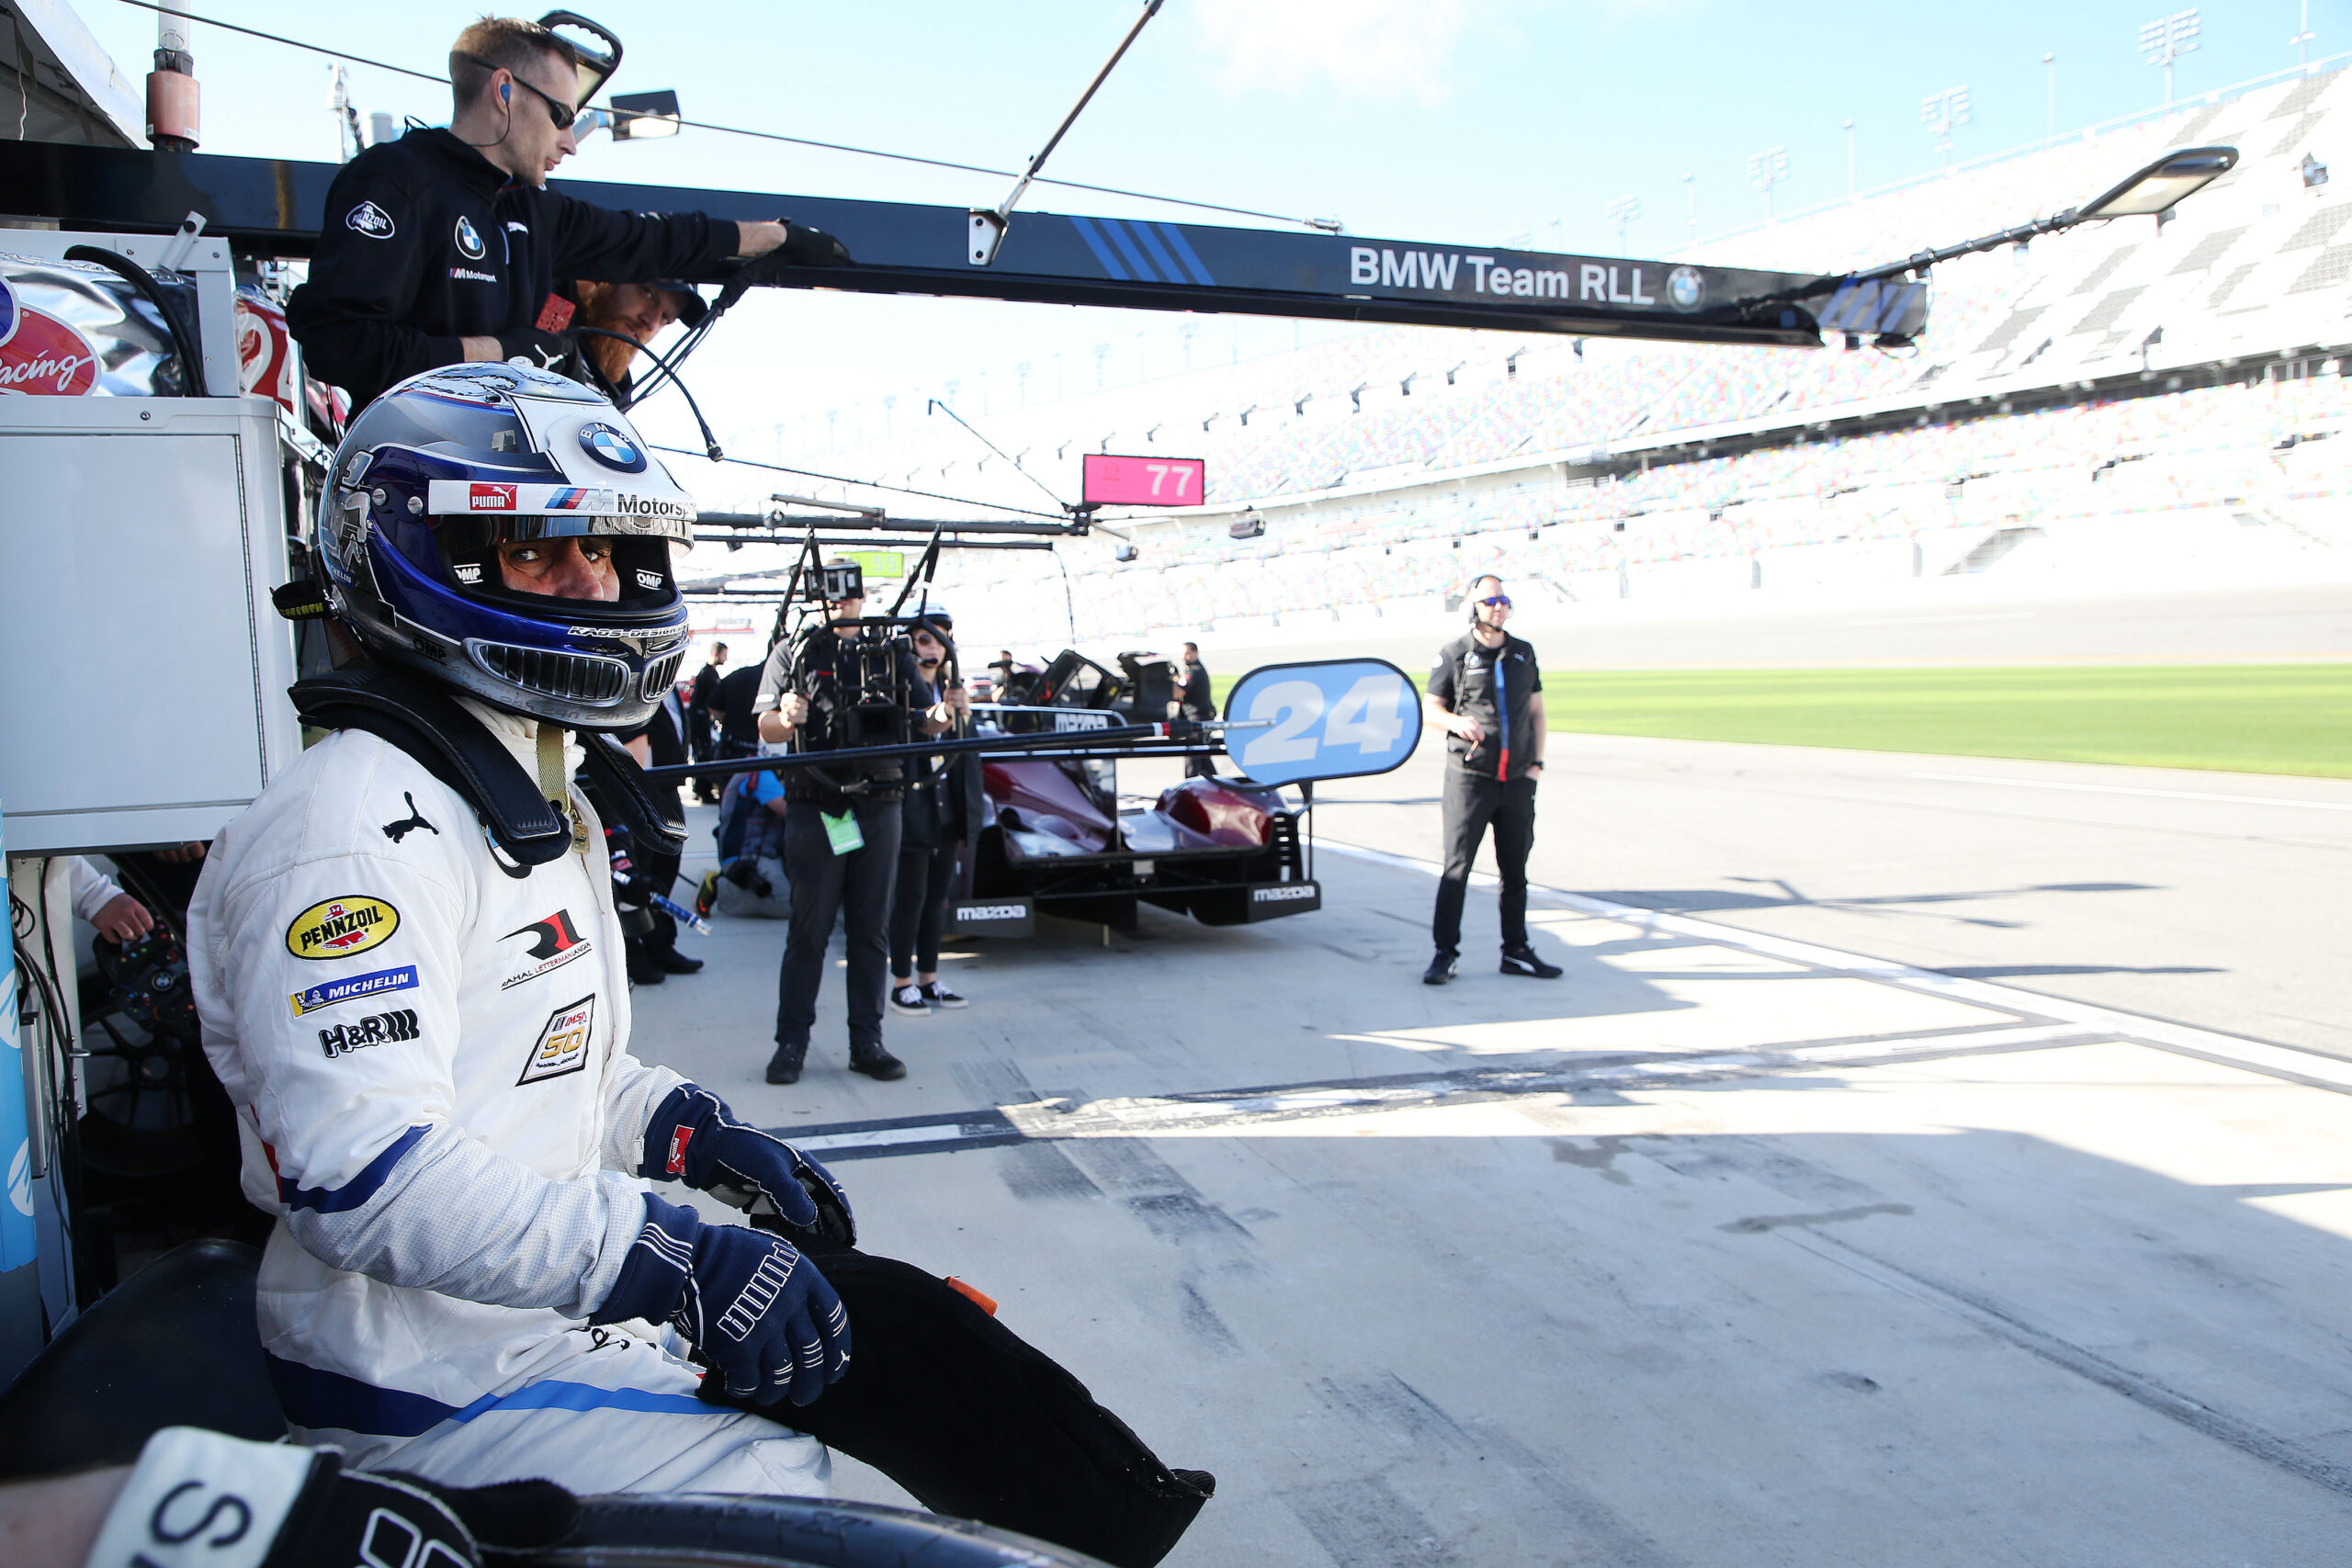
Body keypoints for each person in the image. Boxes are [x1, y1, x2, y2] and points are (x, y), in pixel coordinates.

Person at [187, 363, 854, 1494]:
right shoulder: (351, 830)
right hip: (422, 1385)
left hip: (540, 1334)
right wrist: (664, 1253)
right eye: (535, 550)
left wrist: (690, 1134)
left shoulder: (530, 791)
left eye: (601, 549)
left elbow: (538, 1065)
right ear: (419, 558)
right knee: (803, 1497)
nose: (591, 587)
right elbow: (369, 1181)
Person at [285, 17, 836, 412]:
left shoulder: (532, 209)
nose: (570, 142)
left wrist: (776, 236)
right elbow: (340, 345)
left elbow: (651, 240)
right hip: (410, 490)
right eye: (561, 117)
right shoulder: (395, 181)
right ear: (504, 90)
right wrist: (504, 354)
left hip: (507, 491)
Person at [754, 574, 955, 1085]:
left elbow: (925, 720)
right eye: (828, 594)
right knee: (810, 929)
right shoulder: (792, 651)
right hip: (815, 800)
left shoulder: (890, 653)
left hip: (880, 800)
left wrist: (944, 714)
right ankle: (791, 1043)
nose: (839, 603)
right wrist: (786, 714)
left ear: (862, 599)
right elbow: (766, 727)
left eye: (847, 594)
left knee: (872, 929)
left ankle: (868, 1040)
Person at [1421, 575, 1563, 986]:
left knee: (1515, 870)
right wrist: (1456, 721)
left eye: (1503, 600)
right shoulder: (1454, 655)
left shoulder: (1523, 653)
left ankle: (1515, 950)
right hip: (1470, 780)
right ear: (1473, 607)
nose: (1497, 607)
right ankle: (1445, 953)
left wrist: (1535, 763)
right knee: (1457, 869)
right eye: (1489, 601)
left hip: (1517, 780)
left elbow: (1536, 711)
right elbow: (1430, 710)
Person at [889, 610, 979, 1017]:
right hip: (912, 809)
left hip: (946, 810)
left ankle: (928, 976)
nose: (934, 648)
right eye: (925, 640)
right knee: (909, 898)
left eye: (941, 641)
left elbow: (967, 757)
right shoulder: (898, 691)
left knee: (935, 899)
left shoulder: (953, 691)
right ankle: (902, 982)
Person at [613, 677, 702, 984]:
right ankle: (632, 952)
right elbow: (631, 734)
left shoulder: (667, 683)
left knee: (664, 872)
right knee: (637, 876)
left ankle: (661, 945)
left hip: (667, 786)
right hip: (640, 790)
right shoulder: (634, 679)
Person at [567, 278, 707, 407]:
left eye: (665, 317)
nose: (651, 322)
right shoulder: (550, 305)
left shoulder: (620, 394)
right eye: (648, 293)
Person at [689, 640, 729, 802]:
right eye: (724, 654)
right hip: (700, 721)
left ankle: (699, 788)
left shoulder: (707, 673)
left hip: (699, 720)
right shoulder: (708, 675)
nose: (726, 659)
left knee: (701, 754)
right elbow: (716, 699)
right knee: (704, 754)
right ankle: (705, 792)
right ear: (716, 654)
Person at [1178, 641, 1216, 778]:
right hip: (1202, 717)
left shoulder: (1194, 671)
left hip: (1197, 718)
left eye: (1187, 654)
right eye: (1183, 655)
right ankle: (1217, 783)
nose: (1184, 658)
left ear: (1195, 653)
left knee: (1192, 755)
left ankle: (1189, 785)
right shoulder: (1194, 670)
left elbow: (1179, 692)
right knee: (1203, 757)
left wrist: (1172, 681)